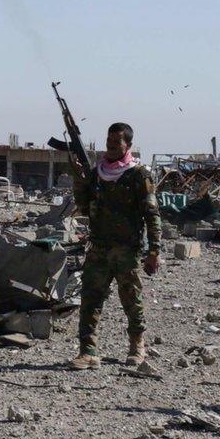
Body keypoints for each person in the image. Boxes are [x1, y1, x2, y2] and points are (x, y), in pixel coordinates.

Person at [72, 122, 161, 370]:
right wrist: (79, 181)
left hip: (127, 249)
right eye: (108, 142)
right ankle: (88, 351)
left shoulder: (138, 175)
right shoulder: (97, 173)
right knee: (90, 299)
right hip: (99, 247)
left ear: (128, 145)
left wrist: (154, 251)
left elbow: (152, 215)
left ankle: (136, 347)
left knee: (131, 300)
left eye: (116, 143)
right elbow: (82, 206)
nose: (110, 147)